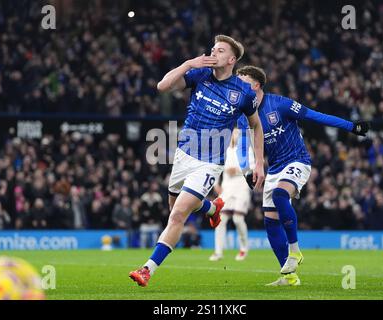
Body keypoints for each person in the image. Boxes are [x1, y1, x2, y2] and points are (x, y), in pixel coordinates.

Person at [129, 35, 265, 287]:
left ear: (231, 59)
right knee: (174, 207)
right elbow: (162, 86)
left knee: (178, 213)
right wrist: (189, 64)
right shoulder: (200, 75)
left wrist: (258, 163)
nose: (213, 52)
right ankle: (211, 209)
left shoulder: (243, 92)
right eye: (213, 48)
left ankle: (147, 269)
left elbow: (256, 126)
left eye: (220, 50)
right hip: (183, 155)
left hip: (209, 163)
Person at [236, 65, 370, 286]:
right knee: (270, 224)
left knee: (280, 195)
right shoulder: (244, 115)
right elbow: (242, 145)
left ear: (256, 85)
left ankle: (295, 251)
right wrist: (247, 171)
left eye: (243, 80)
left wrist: (351, 126)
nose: (238, 84)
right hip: (274, 169)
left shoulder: (280, 103)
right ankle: (289, 277)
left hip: (297, 161)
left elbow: (315, 116)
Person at [209, 129, 254, 261]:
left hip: (242, 186)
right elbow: (217, 168)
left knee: (238, 219)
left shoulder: (246, 150)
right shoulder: (224, 151)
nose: (234, 136)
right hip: (227, 188)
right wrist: (216, 184)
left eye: (237, 134)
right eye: (233, 133)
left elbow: (252, 167)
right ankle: (218, 252)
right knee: (221, 219)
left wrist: (238, 170)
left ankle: (244, 249)